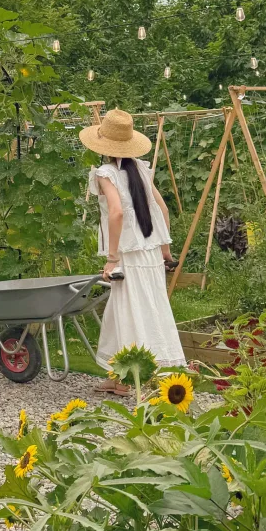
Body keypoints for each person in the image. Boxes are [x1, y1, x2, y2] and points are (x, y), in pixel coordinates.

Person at [78, 108, 186, 384]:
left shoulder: (105, 173)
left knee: (130, 313)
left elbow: (116, 213)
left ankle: (133, 378)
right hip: (150, 251)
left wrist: (112, 259)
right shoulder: (140, 169)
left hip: (128, 254)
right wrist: (165, 251)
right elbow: (162, 210)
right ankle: (119, 378)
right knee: (142, 310)